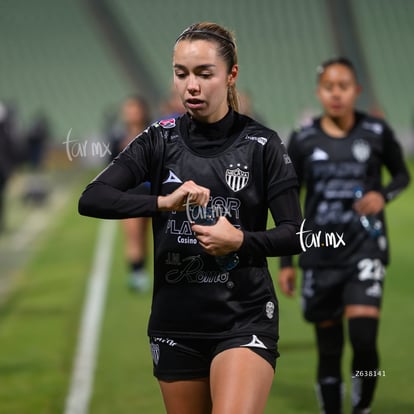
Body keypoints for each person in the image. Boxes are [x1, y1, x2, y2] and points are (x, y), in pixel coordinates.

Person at [79, 21, 303, 414]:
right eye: (181, 74)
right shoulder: (158, 138)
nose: (191, 86)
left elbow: (294, 233)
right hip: (175, 324)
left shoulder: (263, 144)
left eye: (204, 74)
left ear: (231, 75)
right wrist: (163, 203)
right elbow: (93, 198)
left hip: (243, 320)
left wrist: (241, 241)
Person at [278, 57, 410, 414]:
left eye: (344, 86)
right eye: (328, 87)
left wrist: (382, 194)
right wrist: (287, 261)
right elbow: (289, 201)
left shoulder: (377, 132)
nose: (336, 94)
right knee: (329, 346)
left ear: (357, 91)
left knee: (365, 340)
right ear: (319, 92)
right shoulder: (303, 139)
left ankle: (362, 407)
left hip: (365, 249)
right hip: (320, 255)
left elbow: (401, 176)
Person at [108, 94, 152, 292]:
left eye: (135, 108)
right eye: (128, 109)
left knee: (146, 235)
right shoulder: (118, 136)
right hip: (128, 193)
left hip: (151, 192)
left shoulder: (153, 133)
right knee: (133, 234)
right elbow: (109, 166)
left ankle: (145, 270)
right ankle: (137, 275)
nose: (131, 113)